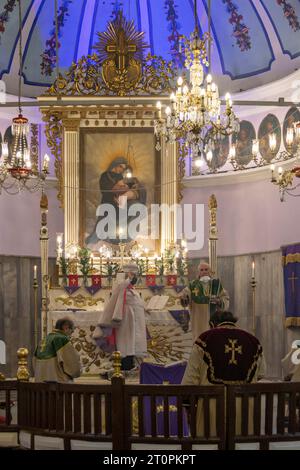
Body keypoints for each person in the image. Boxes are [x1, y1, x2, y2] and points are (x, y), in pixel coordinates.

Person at [182, 310, 265, 436]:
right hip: (244, 411)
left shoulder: (204, 340)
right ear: (234, 322)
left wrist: (188, 407)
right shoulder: (254, 342)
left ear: (212, 324)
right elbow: (261, 374)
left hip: (210, 411)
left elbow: (189, 382)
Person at [93, 263, 147, 371]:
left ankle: (130, 364)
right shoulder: (121, 286)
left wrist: (145, 308)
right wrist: (127, 278)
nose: (135, 279)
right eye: (134, 276)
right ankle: (124, 365)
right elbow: (121, 289)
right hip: (125, 320)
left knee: (131, 343)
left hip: (134, 321)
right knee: (125, 343)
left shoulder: (133, 290)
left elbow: (136, 303)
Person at [180, 261, 229, 341]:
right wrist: (184, 298)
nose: (204, 272)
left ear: (210, 272)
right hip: (197, 319)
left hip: (213, 318)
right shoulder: (192, 284)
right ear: (198, 272)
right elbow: (185, 294)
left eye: (206, 269)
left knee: (213, 340)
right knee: (199, 340)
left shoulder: (216, 284)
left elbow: (225, 297)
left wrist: (220, 301)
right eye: (201, 270)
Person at [34, 317, 81, 383]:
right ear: (66, 327)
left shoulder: (44, 339)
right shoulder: (62, 339)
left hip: (40, 382)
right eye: (72, 330)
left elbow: (34, 362)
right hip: (56, 383)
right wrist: (77, 372)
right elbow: (72, 363)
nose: (72, 333)